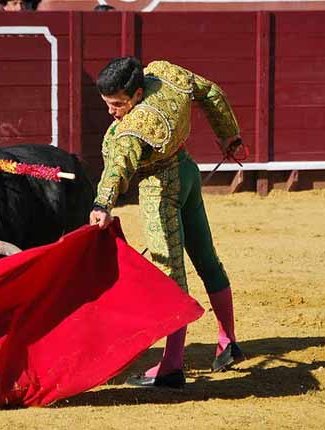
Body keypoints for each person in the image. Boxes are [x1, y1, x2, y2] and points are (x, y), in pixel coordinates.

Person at [89, 57, 244, 388]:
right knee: (206, 258)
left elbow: (119, 164)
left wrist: (103, 203)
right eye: (108, 104)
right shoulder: (164, 72)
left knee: (169, 274)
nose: (112, 112)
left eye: (117, 104)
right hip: (187, 172)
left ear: (137, 94)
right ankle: (227, 340)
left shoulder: (133, 127)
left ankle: (172, 365)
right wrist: (228, 135)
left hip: (160, 191)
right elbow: (211, 92)